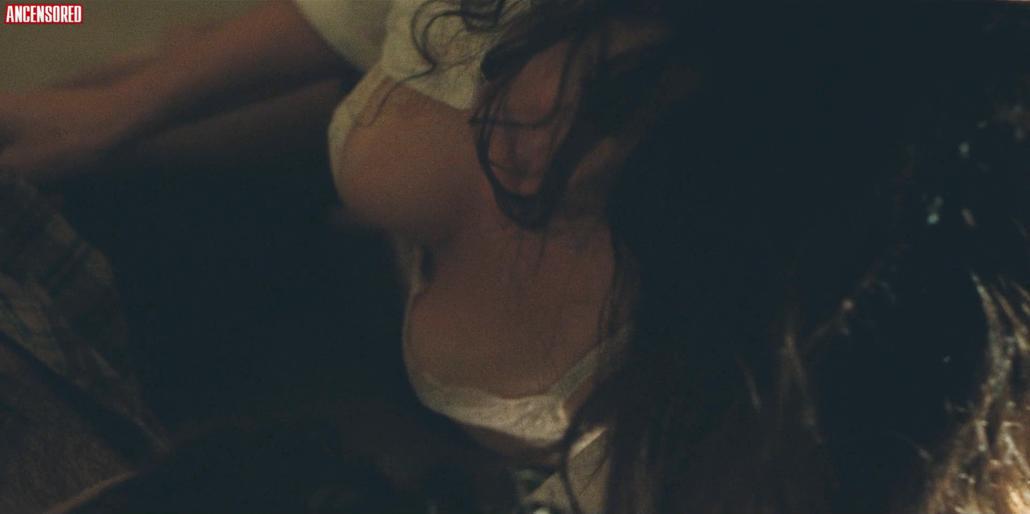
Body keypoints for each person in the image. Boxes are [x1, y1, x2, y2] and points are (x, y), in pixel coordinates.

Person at [2, 1, 1029, 513]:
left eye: (620, 120)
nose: (520, 133)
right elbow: (353, 31)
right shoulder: (483, 52)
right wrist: (112, 113)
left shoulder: (804, 382)